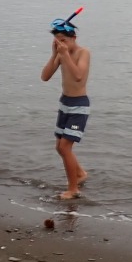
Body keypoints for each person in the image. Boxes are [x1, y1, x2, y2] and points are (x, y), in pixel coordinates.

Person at [40, 17, 90, 199]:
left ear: (73, 38)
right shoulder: (61, 54)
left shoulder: (83, 52)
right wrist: (54, 54)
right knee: (59, 147)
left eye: (64, 40)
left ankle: (73, 189)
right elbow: (45, 77)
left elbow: (78, 76)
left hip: (79, 105)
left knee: (65, 147)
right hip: (65, 104)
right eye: (57, 41)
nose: (61, 44)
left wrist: (65, 55)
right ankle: (80, 173)